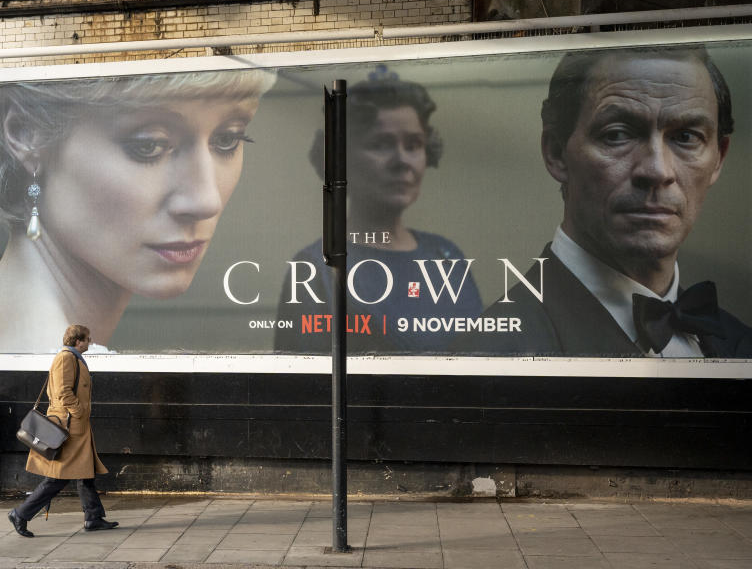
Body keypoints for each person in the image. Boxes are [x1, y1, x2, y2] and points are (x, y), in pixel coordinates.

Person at [0, 69, 275, 353]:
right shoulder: (60, 375)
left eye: (229, 139)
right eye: (148, 145)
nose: (206, 200)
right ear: (26, 133)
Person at [453, 46, 752, 357]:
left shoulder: (742, 344)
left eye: (686, 137)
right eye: (618, 134)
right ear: (557, 153)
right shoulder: (491, 352)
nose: (657, 170)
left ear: (719, 158)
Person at [274, 66, 482, 353]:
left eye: (414, 144)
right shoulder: (317, 268)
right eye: (380, 144)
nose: (402, 161)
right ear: (342, 159)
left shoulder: (446, 256)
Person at [8, 324, 116, 537]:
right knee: (58, 478)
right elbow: (63, 392)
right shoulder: (66, 358)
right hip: (70, 426)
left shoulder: (73, 357)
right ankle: (21, 514)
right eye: (87, 339)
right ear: (78, 341)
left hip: (75, 425)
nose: (89, 342)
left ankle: (93, 517)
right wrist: (79, 412)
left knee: (85, 473)